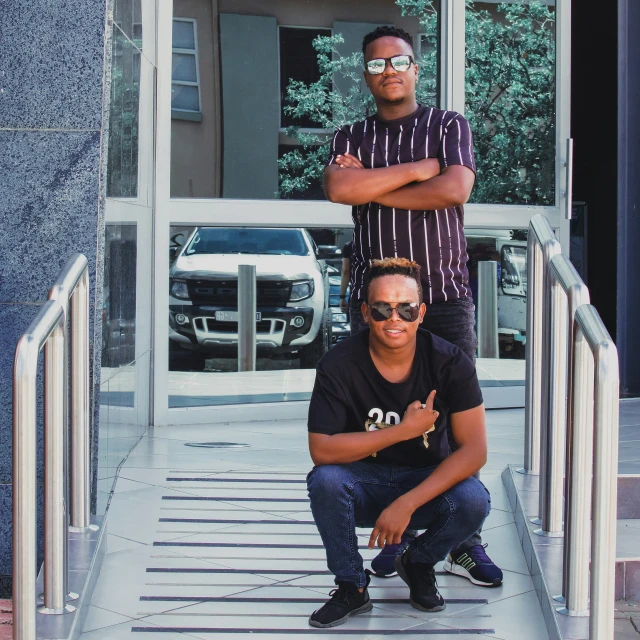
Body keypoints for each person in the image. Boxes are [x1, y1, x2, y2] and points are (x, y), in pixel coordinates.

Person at [323, 24, 501, 585]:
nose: (388, 71)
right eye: (376, 65)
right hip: (374, 305)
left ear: (415, 67)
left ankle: (461, 541)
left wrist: (374, 185)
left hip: (443, 297)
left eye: (397, 61)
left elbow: (454, 191)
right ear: (366, 73)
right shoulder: (350, 134)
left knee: (449, 425)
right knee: (380, 417)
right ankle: (395, 530)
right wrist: (419, 171)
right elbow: (339, 191)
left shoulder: (448, 125)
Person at [306, 258, 491, 628]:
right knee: (325, 481)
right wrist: (403, 431)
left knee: (474, 499)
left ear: (421, 312)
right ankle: (352, 587)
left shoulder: (450, 363)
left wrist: (407, 503)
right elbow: (321, 450)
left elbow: (475, 451)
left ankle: (418, 562)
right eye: (382, 308)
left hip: (423, 481)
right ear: (365, 312)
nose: (395, 318)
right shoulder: (338, 364)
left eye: (405, 308)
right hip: (362, 483)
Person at [339, 241, 353, 313]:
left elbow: (346, 271)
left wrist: (342, 297)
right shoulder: (378, 244)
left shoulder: (349, 246)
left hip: (357, 294)